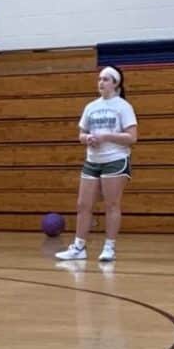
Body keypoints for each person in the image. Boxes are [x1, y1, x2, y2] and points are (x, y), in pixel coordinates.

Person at [54, 65, 137, 265]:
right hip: (92, 160)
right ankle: (79, 247)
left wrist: (107, 136)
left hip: (115, 160)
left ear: (116, 84)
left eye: (106, 79)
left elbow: (132, 137)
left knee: (112, 204)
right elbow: (81, 134)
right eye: (99, 79)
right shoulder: (90, 107)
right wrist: (87, 138)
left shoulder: (123, 106)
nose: (101, 82)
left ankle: (109, 247)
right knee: (83, 205)